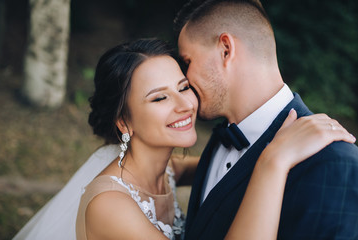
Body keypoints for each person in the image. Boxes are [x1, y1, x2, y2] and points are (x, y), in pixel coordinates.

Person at [72, 38, 354, 240]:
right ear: (124, 122)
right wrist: (273, 160)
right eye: (159, 97)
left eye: (183, 87)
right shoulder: (109, 206)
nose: (184, 104)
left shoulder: (168, 171)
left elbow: (214, 165)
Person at [173, 0, 358, 239]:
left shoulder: (336, 163)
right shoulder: (220, 139)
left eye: (187, 62)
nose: (185, 78)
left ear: (226, 50)